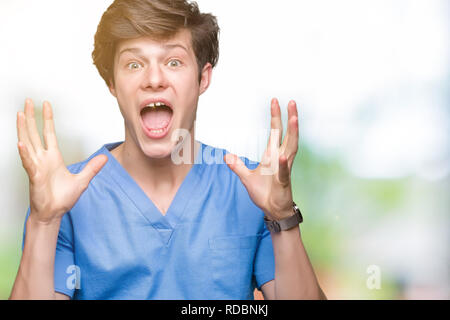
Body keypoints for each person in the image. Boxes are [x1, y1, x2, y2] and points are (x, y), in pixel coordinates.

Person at [10, 0, 326, 300]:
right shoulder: (66, 198)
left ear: (203, 77)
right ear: (112, 83)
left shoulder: (250, 190)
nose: (154, 79)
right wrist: (44, 221)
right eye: (134, 64)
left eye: (173, 62)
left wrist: (282, 216)